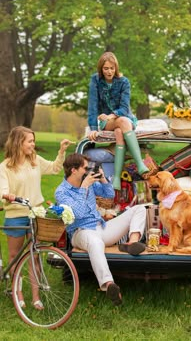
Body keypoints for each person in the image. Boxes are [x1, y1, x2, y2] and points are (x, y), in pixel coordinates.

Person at [55, 153, 146, 306]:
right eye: (85, 168)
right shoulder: (62, 191)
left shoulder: (88, 181)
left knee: (139, 209)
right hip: (81, 231)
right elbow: (77, 213)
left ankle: (132, 243)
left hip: (101, 227)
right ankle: (109, 284)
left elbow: (109, 195)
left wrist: (103, 178)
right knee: (95, 243)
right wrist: (84, 188)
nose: (88, 170)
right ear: (73, 170)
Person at [0, 126, 74, 310]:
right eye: (30, 141)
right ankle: (17, 293)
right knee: (15, 257)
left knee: (35, 255)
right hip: (16, 215)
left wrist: (62, 151)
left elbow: (55, 168)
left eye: (34, 141)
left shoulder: (35, 161)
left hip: (35, 214)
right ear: (19, 142)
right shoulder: (5, 166)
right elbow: (2, 190)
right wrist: (7, 195)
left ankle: (36, 297)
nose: (33, 145)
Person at [87, 51, 149, 190]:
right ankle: (140, 164)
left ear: (116, 68)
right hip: (107, 122)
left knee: (120, 131)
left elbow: (124, 107)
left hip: (124, 116)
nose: (109, 71)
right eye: (106, 68)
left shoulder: (123, 82)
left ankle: (116, 179)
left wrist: (111, 115)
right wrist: (93, 129)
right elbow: (92, 106)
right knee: (123, 122)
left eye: (112, 68)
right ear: (101, 69)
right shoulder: (95, 81)